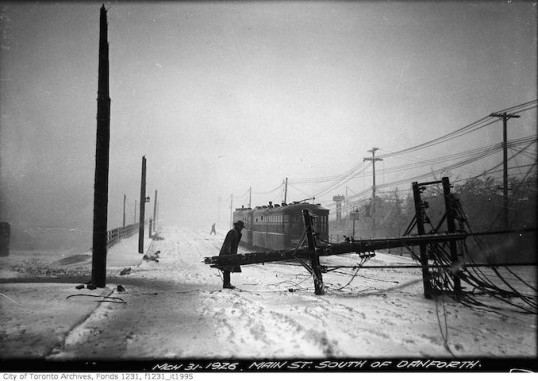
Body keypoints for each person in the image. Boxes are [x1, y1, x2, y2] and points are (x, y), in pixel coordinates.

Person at [218, 220, 244, 289]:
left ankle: (227, 283)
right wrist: (229, 254)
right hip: (227, 253)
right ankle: (226, 284)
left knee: (228, 268)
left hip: (230, 253)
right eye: (241, 227)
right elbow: (228, 243)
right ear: (238, 226)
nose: (242, 229)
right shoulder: (233, 232)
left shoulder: (236, 232)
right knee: (227, 268)